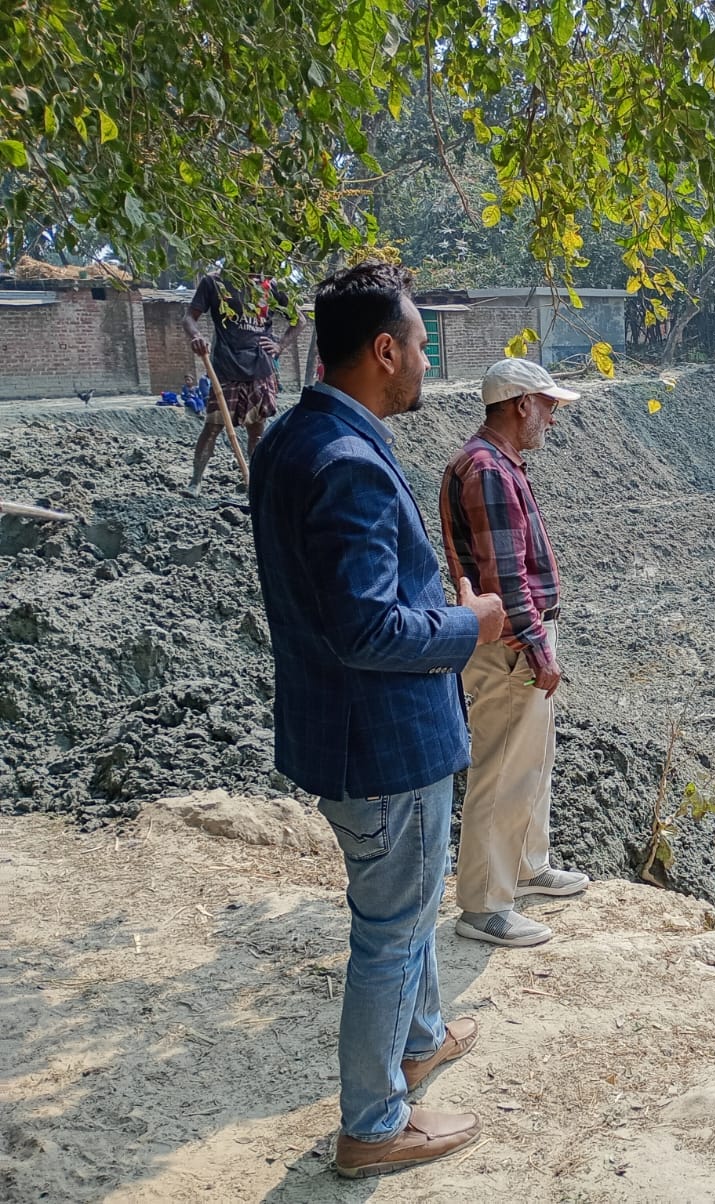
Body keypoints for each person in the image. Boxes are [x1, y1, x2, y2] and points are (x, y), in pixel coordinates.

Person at [250, 262, 507, 1179]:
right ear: (384, 349)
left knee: (406, 904)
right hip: (384, 745)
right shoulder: (348, 462)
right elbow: (364, 626)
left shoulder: (295, 438)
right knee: (391, 928)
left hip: (344, 733)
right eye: (421, 345)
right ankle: (372, 1125)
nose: (429, 362)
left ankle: (424, 1037)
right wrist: (465, 626)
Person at [441, 357, 591, 948]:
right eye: (547, 405)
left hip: (514, 640)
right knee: (502, 769)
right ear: (519, 403)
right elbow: (505, 577)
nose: (552, 417)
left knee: (529, 761)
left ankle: (527, 866)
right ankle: (482, 903)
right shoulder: (488, 472)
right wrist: (537, 647)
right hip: (509, 645)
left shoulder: (496, 464)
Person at [183, 271, 297, 492]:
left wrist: (280, 346)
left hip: (260, 370)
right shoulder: (215, 283)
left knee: (257, 431)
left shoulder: (270, 285)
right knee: (213, 427)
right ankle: (195, 481)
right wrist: (196, 336)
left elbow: (299, 320)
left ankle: (253, 482)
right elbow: (189, 317)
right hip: (226, 369)